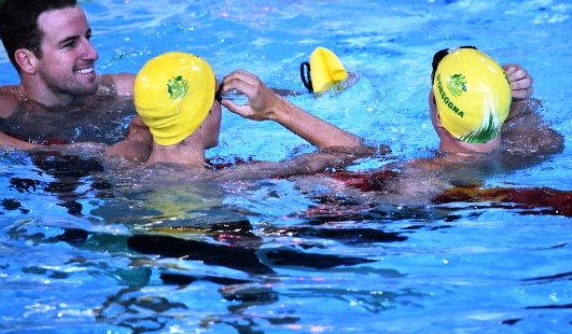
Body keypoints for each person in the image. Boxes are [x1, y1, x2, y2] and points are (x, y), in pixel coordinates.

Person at [296, 46, 564, 207]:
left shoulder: (418, 173)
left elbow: (355, 152)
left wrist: (278, 109)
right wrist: (517, 104)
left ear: (438, 117)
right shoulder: (540, 144)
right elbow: (523, 123)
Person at [0, 0, 145, 153]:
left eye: (87, 37)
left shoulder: (118, 90)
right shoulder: (2, 104)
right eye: (70, 44)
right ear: (27, 60)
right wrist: (39, 150)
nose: (92, 53)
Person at [107, 51, 380, 179]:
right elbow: (358, 151)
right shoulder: (234, 178)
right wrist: (276, 107)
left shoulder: (123, 158)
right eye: (218, 97)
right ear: (201, 116)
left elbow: (144, 122)